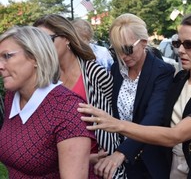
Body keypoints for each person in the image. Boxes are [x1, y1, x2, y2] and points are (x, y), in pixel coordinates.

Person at [78, 10, 191, 179]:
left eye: (189, 44)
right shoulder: (180, 79)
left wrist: (117, 125)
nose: (181, 50)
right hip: (174, 168)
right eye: (178, 43)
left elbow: (175, 135)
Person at [33, 14, 125, 178]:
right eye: (38, 43)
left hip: (100, 166)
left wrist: (116, 154)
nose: (42, 47)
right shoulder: (43, 79)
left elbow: (116, 118)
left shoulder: (95, 74)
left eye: (48, 40)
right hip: (60, 164)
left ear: (67, 38)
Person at [85, 13, 175, 179]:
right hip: (119, 164)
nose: (122, 56)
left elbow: (153, 118)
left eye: (127, 49)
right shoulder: (116, 71)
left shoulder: (162, 72)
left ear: (143, 42)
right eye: (116, 50)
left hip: (149, 162)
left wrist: (122, 152)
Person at [0, 26, 97, 178]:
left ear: (35, 58)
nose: (0, 65)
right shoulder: (11, 97)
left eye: (7, 56)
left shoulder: (67, 110)